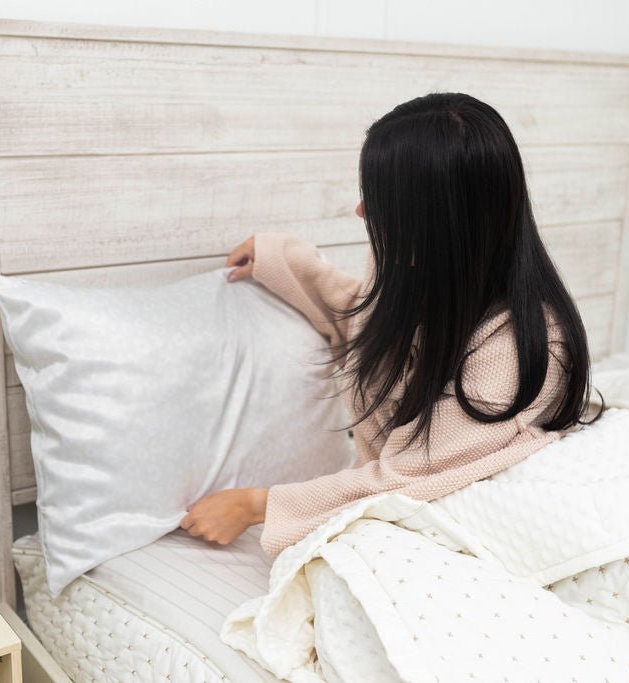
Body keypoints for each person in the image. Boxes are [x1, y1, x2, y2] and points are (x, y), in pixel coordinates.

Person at [179, 92, 604, 557]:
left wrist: (254, 504)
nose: (362, 211)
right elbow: (365, 321)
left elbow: (409, 476)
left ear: (434, 223)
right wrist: (284, 259)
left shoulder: (515, 351)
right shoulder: (427, 272)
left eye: (380, 200)